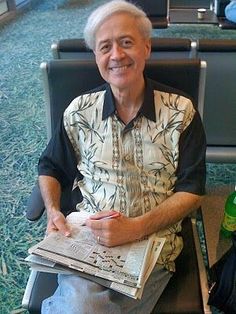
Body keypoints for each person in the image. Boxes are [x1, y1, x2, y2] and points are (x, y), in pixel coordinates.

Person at [39, 0, 206, 313]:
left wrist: (137, 227)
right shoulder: (79, 112)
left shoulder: (180, 112)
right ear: (96, 56)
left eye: (126, 43)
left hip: (152, 247)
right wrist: (51, 210)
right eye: (105, 47)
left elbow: (192, 189)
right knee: (82, 305)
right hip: (89, 242)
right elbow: (50, 166)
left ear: (146, 47)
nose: (116, 55)